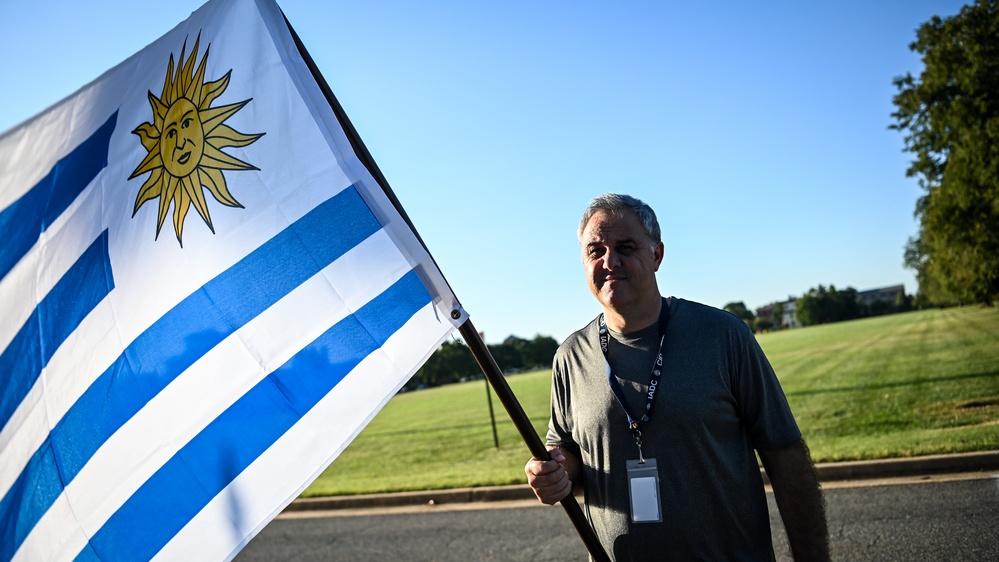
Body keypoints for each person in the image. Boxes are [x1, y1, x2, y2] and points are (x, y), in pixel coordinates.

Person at [525, 194, 829, 561]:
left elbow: (785, 455)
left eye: (625, 247)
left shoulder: (723, 335)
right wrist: (553, 472)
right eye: (595, 250)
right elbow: (567, 454)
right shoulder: (570, 356)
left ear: (657, 255)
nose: (609, 261)